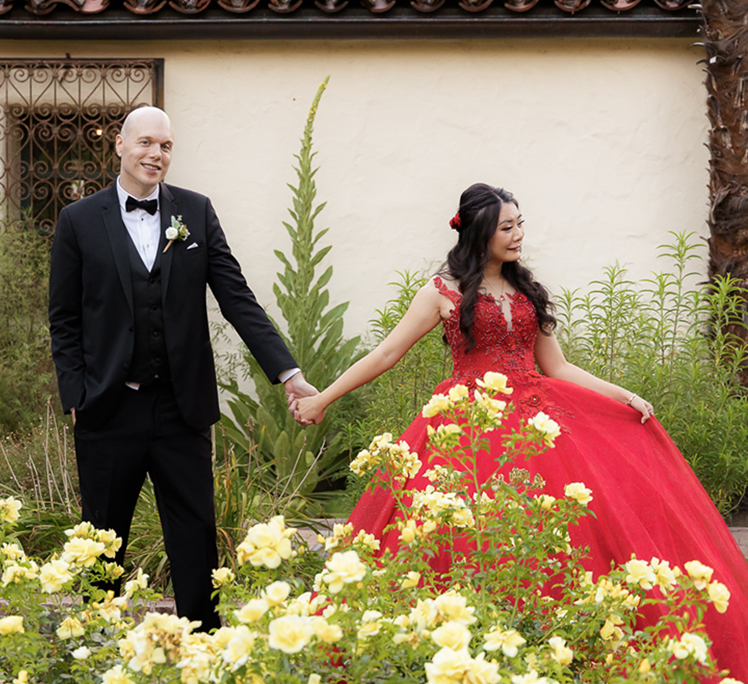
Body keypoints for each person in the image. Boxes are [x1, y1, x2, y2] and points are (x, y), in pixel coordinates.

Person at [291, 182, 748, 677]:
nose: (517, 234)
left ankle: (561, 650)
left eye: (519, 223)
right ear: (479, 233)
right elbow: (386, 353)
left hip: (539, 426)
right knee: (459, 536)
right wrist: (321, 399)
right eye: (506, 227)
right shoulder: (442, 291)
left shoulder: (527, 289)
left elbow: (559, 367)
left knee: (564, 531)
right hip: (468, 430)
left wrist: (622, 395)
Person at [49, 106, 317, 631]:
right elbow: (64, 319)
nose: (157, 154)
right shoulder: (78, 220)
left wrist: (289, 373)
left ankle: (201, 648)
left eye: (166, 146)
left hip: (180, 406)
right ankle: (98, 650)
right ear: (120, 145)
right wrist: (75, 396)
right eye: (147, 143)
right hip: (107, 407)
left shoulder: (195, 211)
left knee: (195, 538)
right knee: (102, 541)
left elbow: (237, 298)